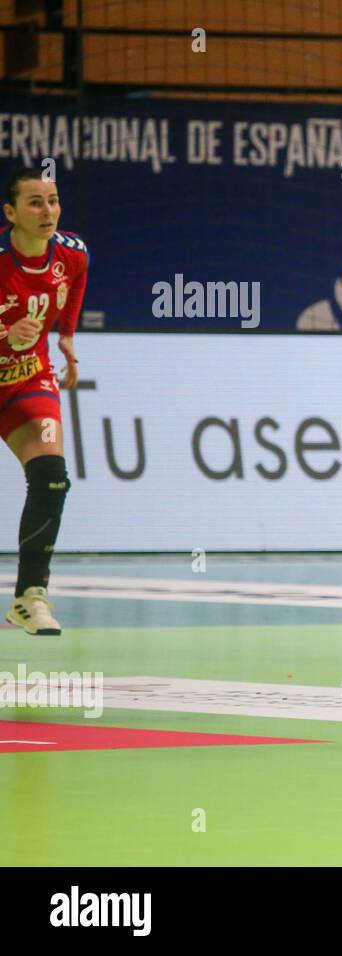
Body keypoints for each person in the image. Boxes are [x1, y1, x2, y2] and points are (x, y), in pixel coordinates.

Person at [0, 167, 87, 636]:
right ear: (10, 213)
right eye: (35, 202)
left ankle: (29, 597)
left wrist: (67, 337)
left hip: (26, 381)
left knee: (52, 478)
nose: (47, 211)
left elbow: (73, 288)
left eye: (52, 200)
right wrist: (4, 333)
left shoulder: (72, 253)